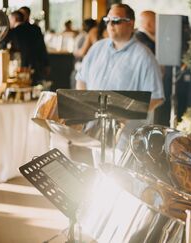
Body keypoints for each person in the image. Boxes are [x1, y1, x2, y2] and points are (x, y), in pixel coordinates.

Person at [75, 3, 164, 164]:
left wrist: (123, 116)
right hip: (96, 130)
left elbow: (156, 97)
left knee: (119, 184)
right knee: (99, 175)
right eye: (107, 20)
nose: (110, 25)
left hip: (125, 138)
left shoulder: (144, 56)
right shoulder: (96, 48)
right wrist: (84, 106)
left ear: (130, 23)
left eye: (116, 21)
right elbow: (81, 79)